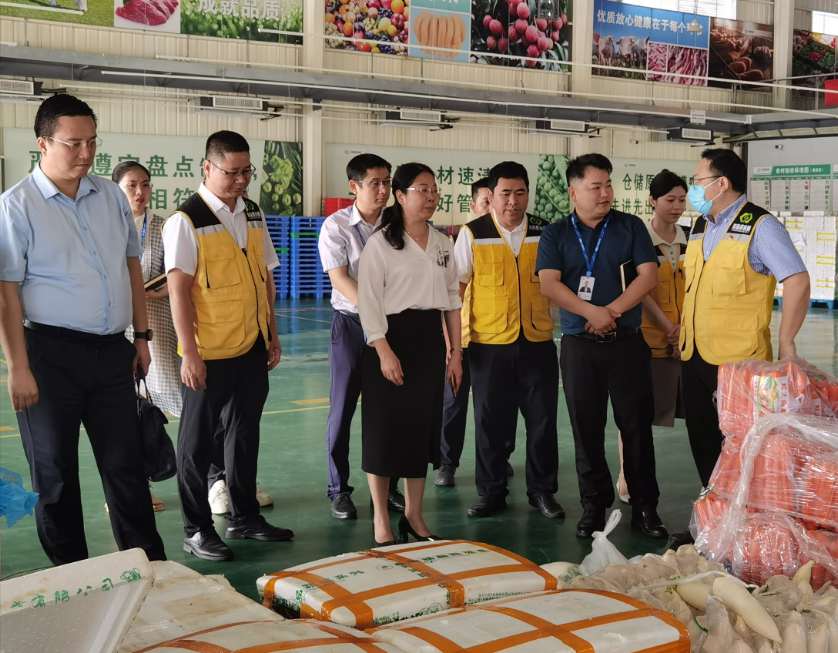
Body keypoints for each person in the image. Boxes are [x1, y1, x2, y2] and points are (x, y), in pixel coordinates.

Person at [0, 94, 166, 565]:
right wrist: (17, 369)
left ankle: (149, 568)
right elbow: (6, 293)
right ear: (43, 143)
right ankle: (72, 577)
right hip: (49, 357)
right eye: (73, 144)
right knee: (54, 475)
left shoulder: (110, 196)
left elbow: (131, 266)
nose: (86, 153)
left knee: (127, 469)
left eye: (92, 142)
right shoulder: (16, 206)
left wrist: (141, 337)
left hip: (113, 353)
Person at [670, 148, 810, 547]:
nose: (693, 189)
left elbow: (797, 279)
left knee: (740, 450)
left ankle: (744, 533)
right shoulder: (700, 226)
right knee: (703, 443)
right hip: (694, 354)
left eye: (698, 181)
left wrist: (786, 340)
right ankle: (713, 527)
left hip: (739, 365)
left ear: (722, 183)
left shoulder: (759, 226)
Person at [164, 130, 291, 562]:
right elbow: (178, 291)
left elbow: (265, 274)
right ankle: (196, 530)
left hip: (251, 345)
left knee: (244, 436)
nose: (241, 181)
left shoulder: (252, 212)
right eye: (232, 172)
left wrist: (272, 332)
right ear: (207, 168)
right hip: (209, 353)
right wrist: (190, 353)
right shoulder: (186, 221)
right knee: (196, 445)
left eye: (247, 172)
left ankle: (245, 517)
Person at [537, 153, 668, 540]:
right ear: (573, 192)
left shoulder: (630, 226)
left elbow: (648, 277)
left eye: (609, 184)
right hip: (580, 346)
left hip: (627, 343)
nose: (605, 193)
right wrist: (590, 313)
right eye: (596, 186)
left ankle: (645, 506)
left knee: (637, 428)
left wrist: (610, 312)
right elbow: (549, 284)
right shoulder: (556, 234)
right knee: (586, 429)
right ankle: (593, 506)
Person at [357, 162, 463, 546]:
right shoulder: (380, 243)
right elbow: (368, 301)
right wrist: (384, 350)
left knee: (420, 431)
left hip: (429, 345)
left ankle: (415, 516)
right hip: (388, 341)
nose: (431, 196)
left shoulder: (443, 244)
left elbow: (452, 301)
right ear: (400, 196)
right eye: (422, 189)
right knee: (383, 432)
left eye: (434, 189)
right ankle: (381, 520)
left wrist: (455, 352)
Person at [454, 161, 562, 520]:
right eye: (505, 194)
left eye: (520, 193)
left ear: (528, 194)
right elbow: (457, 291)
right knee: (489, 422)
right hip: (488, 345)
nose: (513, 201)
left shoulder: (546, 232)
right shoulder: (473, 234)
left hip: (537, 341)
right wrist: (455, 345)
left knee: (542, 420)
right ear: (491, 195)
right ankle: (491, 492)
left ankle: (542, 491)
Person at [318, 154, 406, 519]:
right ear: (354, 186)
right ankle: (339, 490)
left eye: (387, 182)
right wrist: (374, 312)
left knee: (389, 412)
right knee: (342, 411)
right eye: (375, 183)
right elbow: (340, 279)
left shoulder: (398, 223)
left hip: (393, 326)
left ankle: (388, 487)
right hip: (352, 327)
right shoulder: (336, 226)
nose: (383, 190)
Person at [436, 178, 515, 487]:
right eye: (486, 202)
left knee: (499, 403)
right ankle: (447, 463)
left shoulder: (510, 242)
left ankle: (500, 456)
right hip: (463, 338)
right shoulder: (462, 241)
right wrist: (449, 343)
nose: (494, 208)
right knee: (453, 402)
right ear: (474, 205)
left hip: (495, 338)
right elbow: (450, 297)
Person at [616, 171, 690, 504]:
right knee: (634, 416)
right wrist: (669, 328)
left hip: (687, 342)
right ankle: (627, 476)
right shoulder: (638, 239)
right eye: (670, 200)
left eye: (682, 200)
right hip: (647, 340)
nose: (677, 206)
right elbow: (639, 289)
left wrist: (684, 331)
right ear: (652, 201)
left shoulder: (692, 239)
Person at [112, 161, 179, 513]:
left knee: (174, 403)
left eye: (146, 185)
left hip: (158, 326)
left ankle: (211, 479)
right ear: (116, 189)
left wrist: (155, 292)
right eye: (131, 185)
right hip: (115, 327)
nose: (140, 192)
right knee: (126, 410)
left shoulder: (165, 227)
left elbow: (178, 275)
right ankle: (136, 487)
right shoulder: (106, 225)